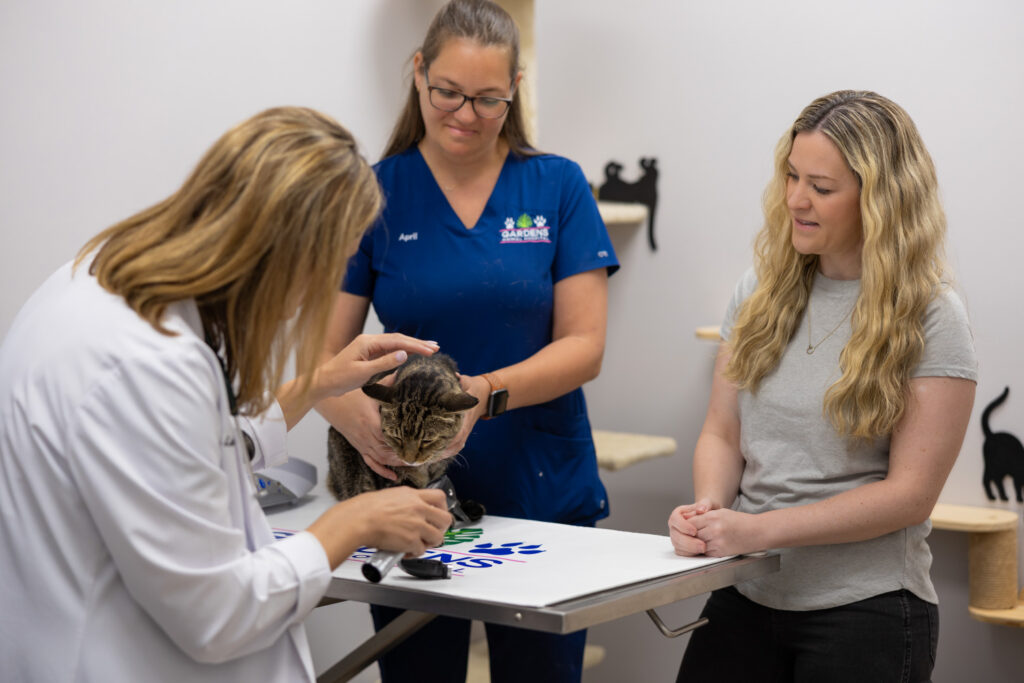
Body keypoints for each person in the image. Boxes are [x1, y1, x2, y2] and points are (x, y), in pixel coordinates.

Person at [0, 107, 454, 682]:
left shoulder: (94, 282)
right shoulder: (148, 364)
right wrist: (354, 525)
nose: (308, 299)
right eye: (327, 268)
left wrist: (316, 385)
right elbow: (216, 614)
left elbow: (178, 454)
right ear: (284, 252)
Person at [314, 1, 618, 680]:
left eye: (489, 99)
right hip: (409, 491)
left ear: (514, 92)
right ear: (419, 74)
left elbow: (585, 345)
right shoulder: (374, 193)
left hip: (540, 486)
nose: (466, 113)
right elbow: (319, 358)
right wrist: (353, 418)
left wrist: (479, 396)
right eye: (449, 91)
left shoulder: (557, 185)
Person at [667, 90, 977, 682]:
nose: (795, 200)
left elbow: (909, 496)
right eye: (790, 177)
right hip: (746, 589)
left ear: (881, 199)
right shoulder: (758, 289)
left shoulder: (934, 316)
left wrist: (757, 531)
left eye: (822, 187)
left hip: (866, 613)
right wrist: (709, 509)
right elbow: (723, 431)